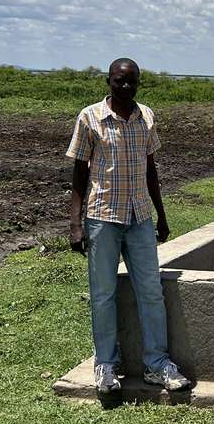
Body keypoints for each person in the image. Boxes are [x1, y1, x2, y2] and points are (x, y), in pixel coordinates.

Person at [67, 58, 190, 394]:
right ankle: (106, 365)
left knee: (151, 292)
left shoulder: (145, 117)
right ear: (108, 81)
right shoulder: (90, 117)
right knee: (103, 295)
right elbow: (79, 174)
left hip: (138, 217)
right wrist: (76, 224)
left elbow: (151, 170)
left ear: (138, 83)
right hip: (102, 217)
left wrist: (161, 215)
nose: (125, 87)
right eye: (119, 81)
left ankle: (157, 364)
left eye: (131, 82)